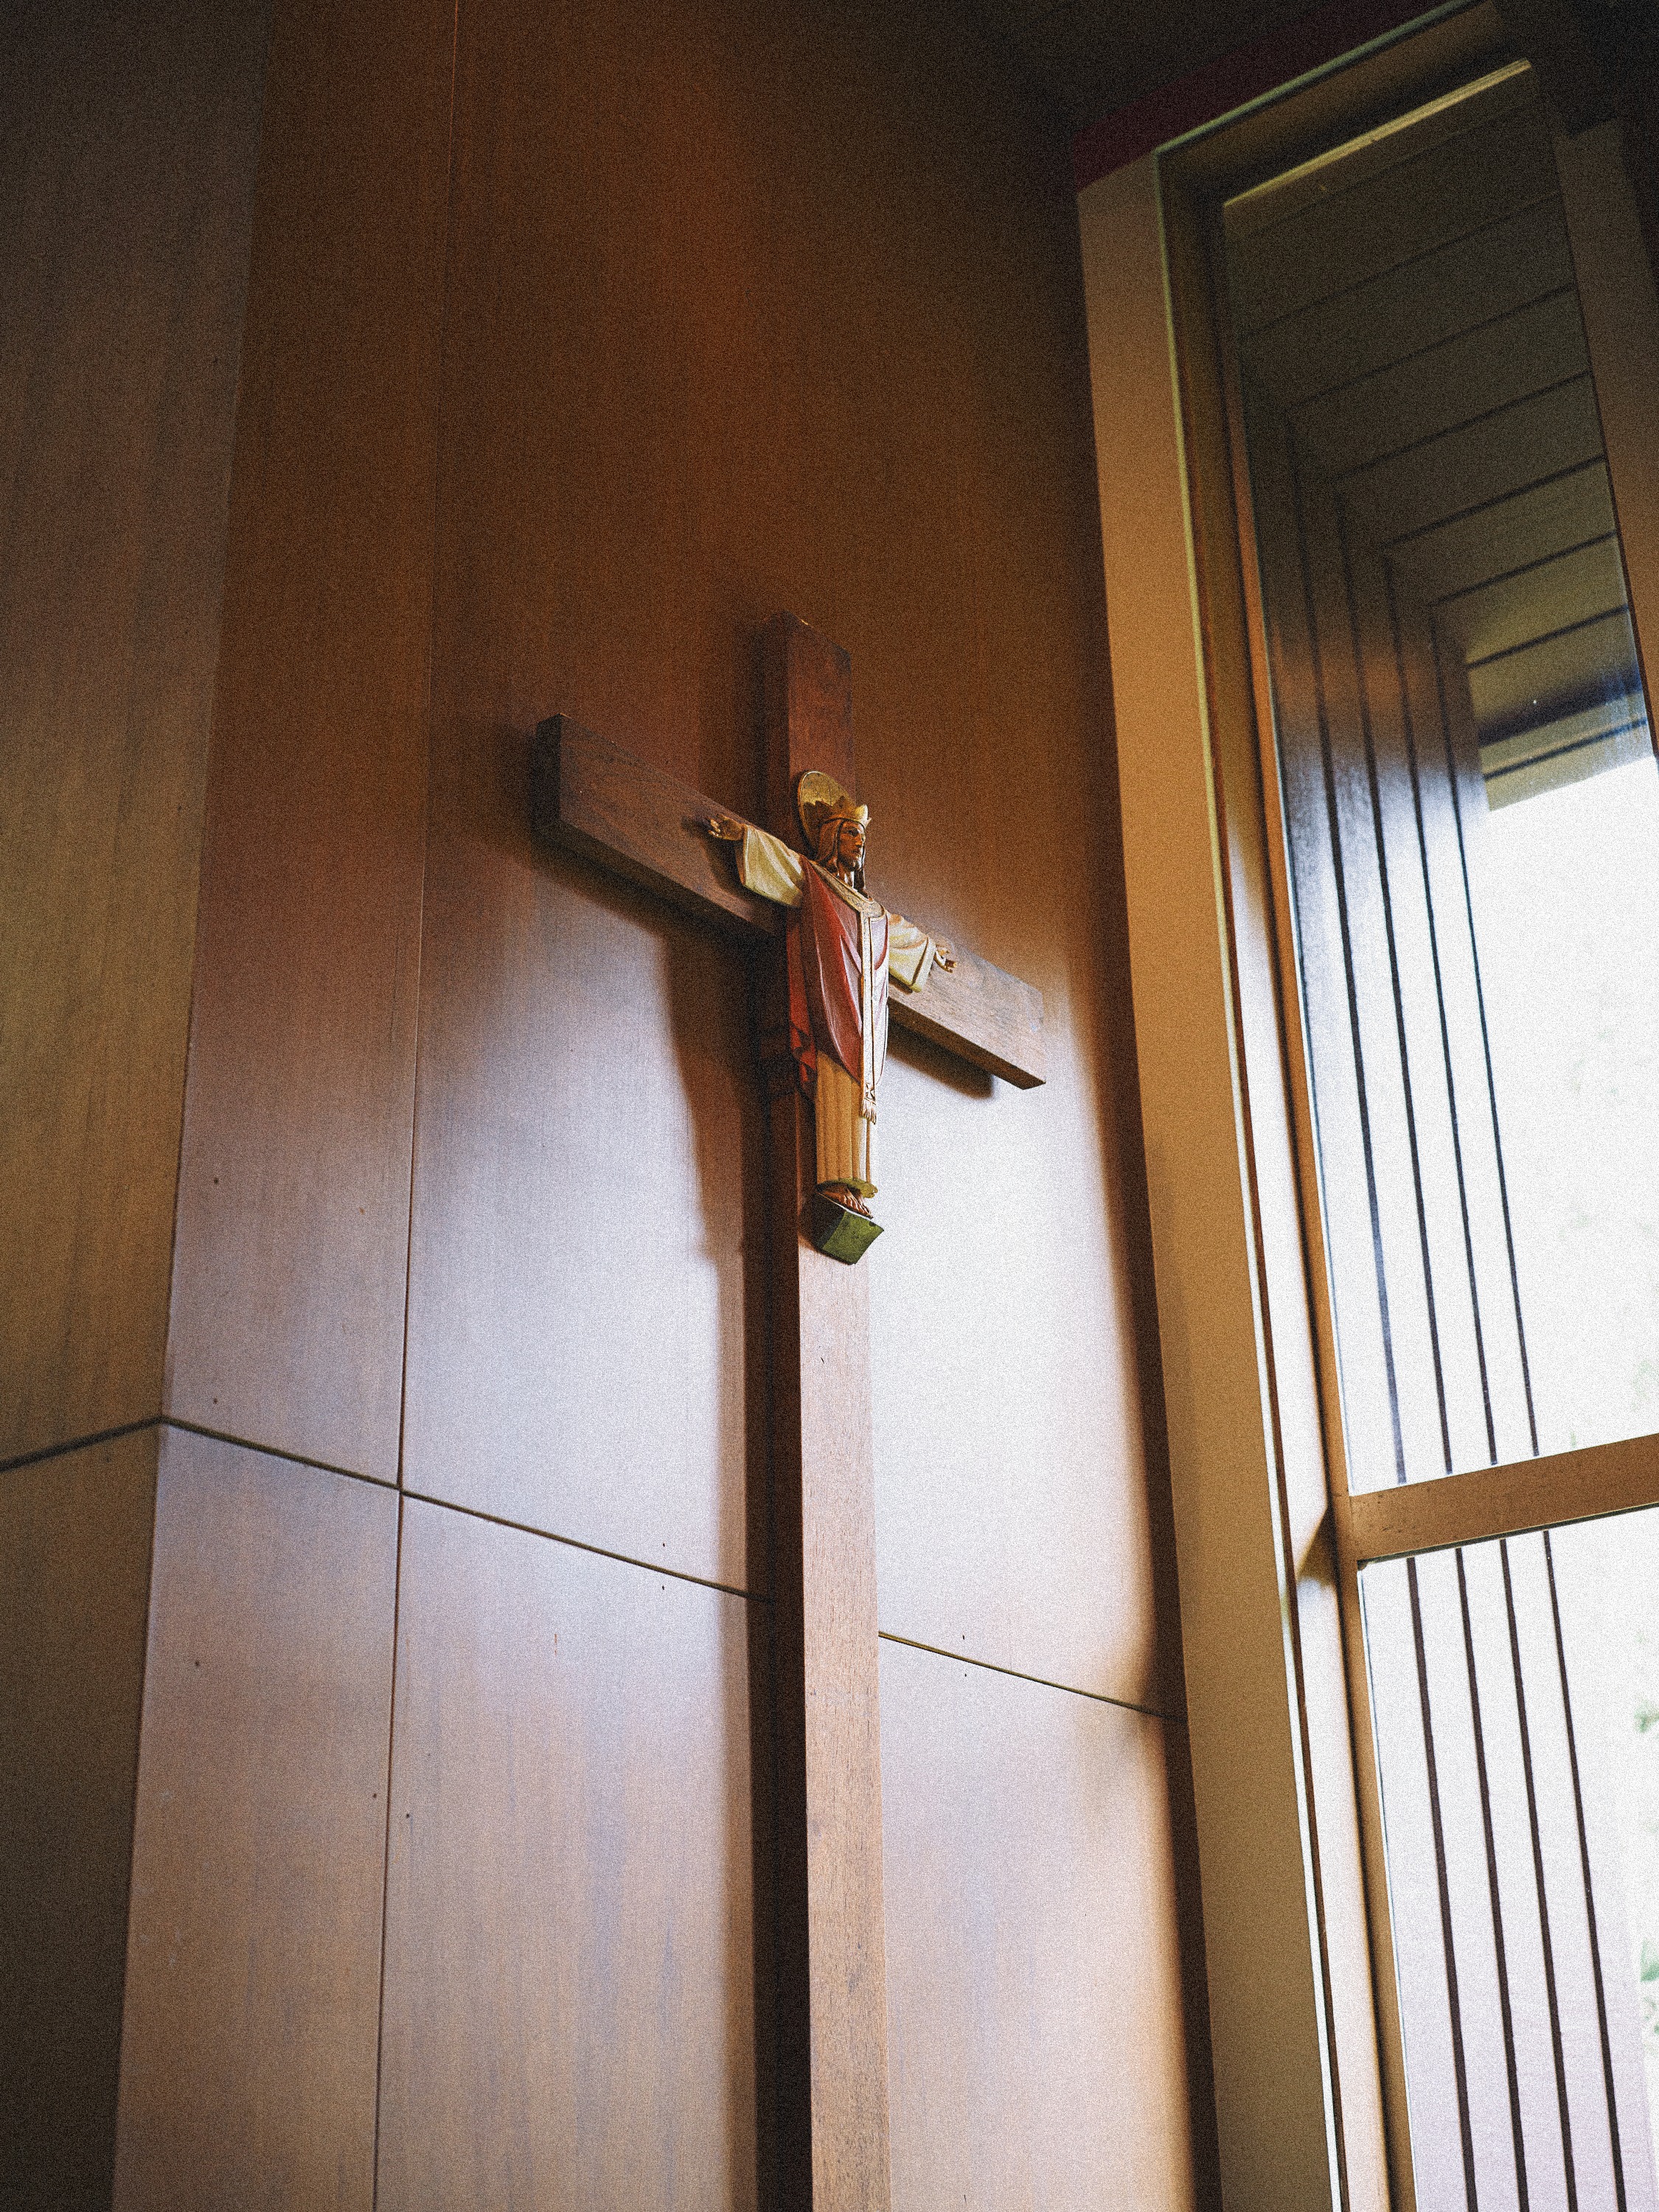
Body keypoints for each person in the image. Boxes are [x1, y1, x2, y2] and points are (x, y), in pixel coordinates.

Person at [706, 773, 953, 1218]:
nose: (860, 844)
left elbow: (897, 933)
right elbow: (782, 863)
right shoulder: (816, 883)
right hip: (833, 1012)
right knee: (837, 1086)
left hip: (866, 1026)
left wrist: (931, 951)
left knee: (861, 1094)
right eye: (852, 834)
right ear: (831, 837)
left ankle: (857, 1182)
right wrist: (745, 838)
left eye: (863, 837)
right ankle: (836, 1182)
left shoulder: (871, 912)